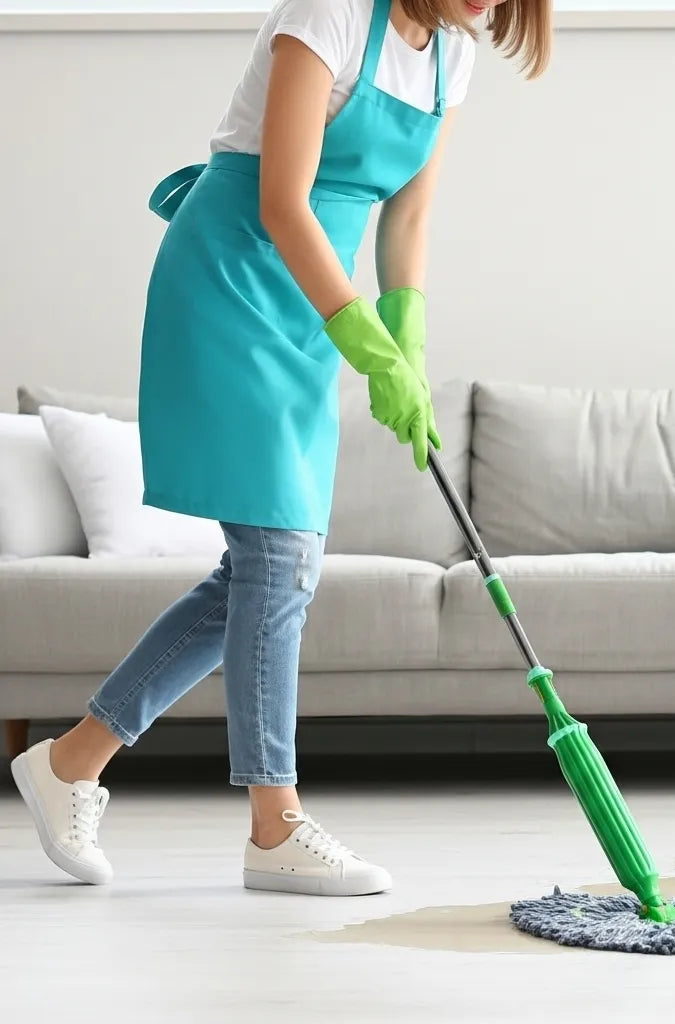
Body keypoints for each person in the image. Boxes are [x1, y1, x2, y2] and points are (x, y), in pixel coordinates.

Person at [11, 0, 550, 897]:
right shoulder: (330, 12)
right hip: (233, 279)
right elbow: (283, 200)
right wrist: (367, 346)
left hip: (314, 308)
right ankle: (275, 822)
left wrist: (407, 342)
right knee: (278, 560)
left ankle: (72, 761)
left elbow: (406, 223)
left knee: (267, 572)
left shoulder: (455, 59)